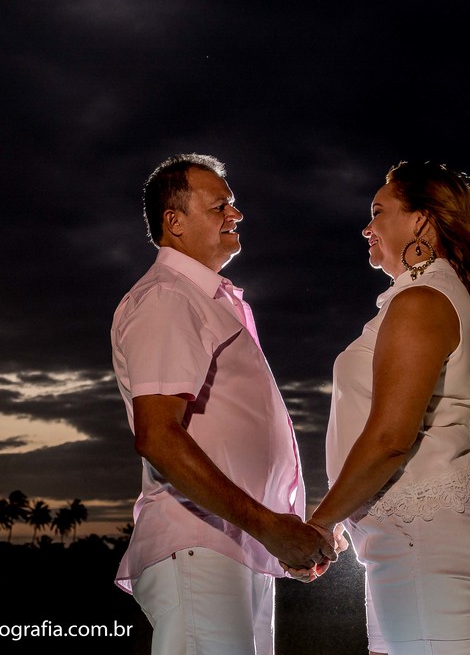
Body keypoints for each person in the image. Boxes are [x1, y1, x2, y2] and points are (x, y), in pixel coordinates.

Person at [110, 153, 337, 655]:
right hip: (200, 544)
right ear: (175, 222)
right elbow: (157, 437)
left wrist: (276, 532)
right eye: (220, 206)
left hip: (235, 548)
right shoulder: (169, 297)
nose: (235, 216)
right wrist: (269, 527)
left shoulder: (207, 300)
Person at [308, 160, 470, 655]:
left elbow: (389, 439)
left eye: (378, 211)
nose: (367, 227)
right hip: (408, 532)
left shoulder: (423, 300)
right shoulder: (420, 295)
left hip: (424, 532)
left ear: (421, 221)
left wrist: (321, 521)